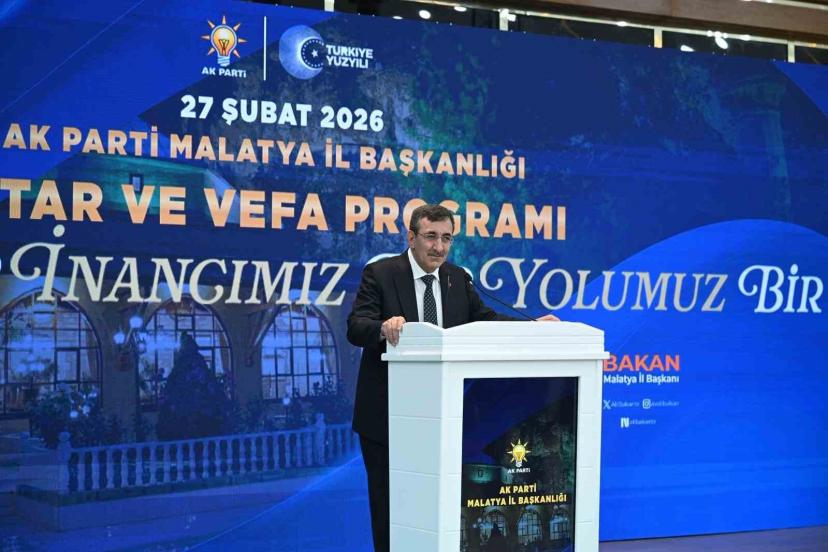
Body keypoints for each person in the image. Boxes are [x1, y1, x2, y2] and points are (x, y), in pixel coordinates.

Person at [347, 204, 558, 552]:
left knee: (440, 508)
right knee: (391, 509)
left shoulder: (457, 278)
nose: (439, 247)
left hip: (445, 421)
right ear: (411, 237)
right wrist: (383, 327)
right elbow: (356, 326)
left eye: (447, 238)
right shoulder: (381, 273)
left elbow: (485, 320)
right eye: (431, 237)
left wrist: (532, 326)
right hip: (388, 419)